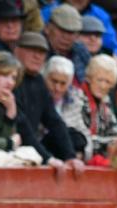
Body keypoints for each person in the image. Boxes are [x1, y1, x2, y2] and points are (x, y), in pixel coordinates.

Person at [13, 31, 80, 171]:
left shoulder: (38, 81)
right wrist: (48, 158)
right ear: (17, 50)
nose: (37, 56)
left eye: (42, 52)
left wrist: (70, 156)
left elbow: (54, 120)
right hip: (11, 145)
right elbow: (21, 125)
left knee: (76, 137)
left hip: (29, 149)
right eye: (32, 50)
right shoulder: (10, 78)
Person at [77, 52, 117, 164]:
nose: (103, 86)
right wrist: (113, 142)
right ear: (89, 78)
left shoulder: (105, 100)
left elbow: (114, 128)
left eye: (108, 82)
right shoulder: (78, 97)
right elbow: (83, 140)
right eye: (100, 80)